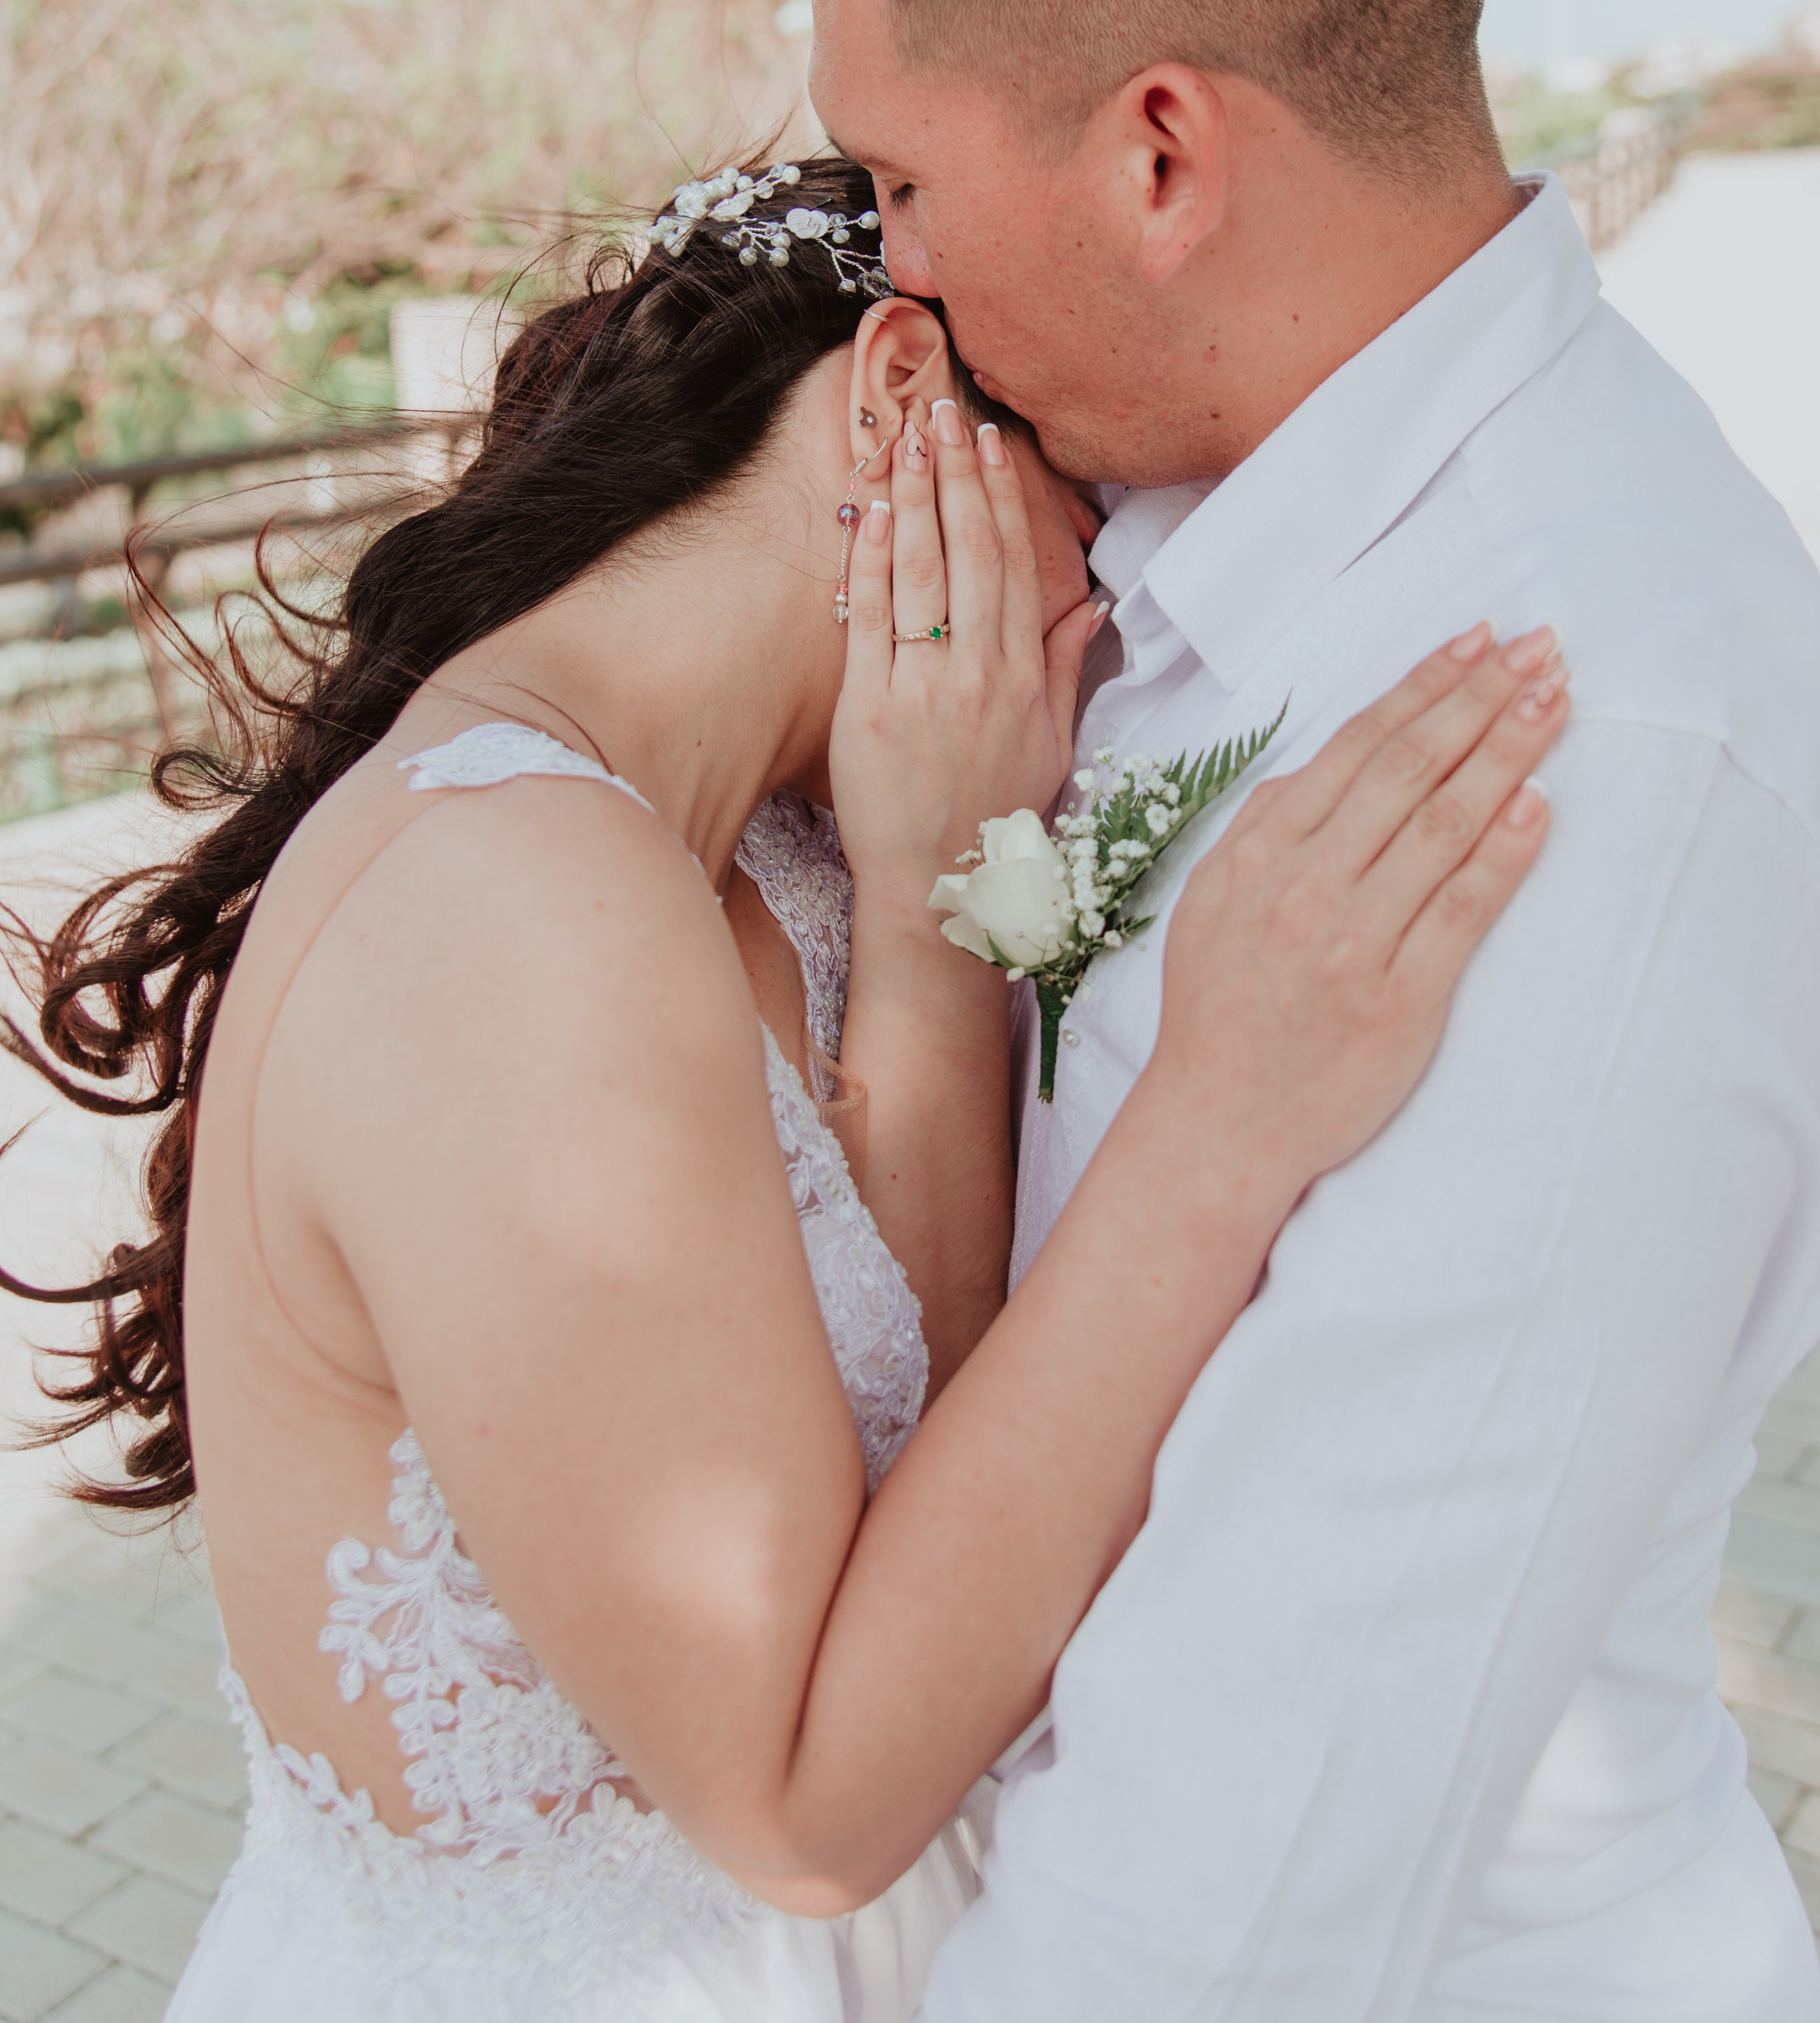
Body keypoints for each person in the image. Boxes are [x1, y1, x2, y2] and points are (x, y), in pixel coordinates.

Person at [2, 163, 1563, 2023]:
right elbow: (802, 1804)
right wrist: (1225, 1123)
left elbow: (917, 1480)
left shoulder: (781, 840)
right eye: (1091, 512)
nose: (1110, 609)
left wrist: (929, 917)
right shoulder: (506, 909)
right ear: (902, 396)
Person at [761, 0, 1820, 2019]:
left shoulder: (1585, 742)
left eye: (902, 181)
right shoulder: (1159, 525)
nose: (887, 268)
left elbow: (1239, 1874)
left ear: (1161, 150)